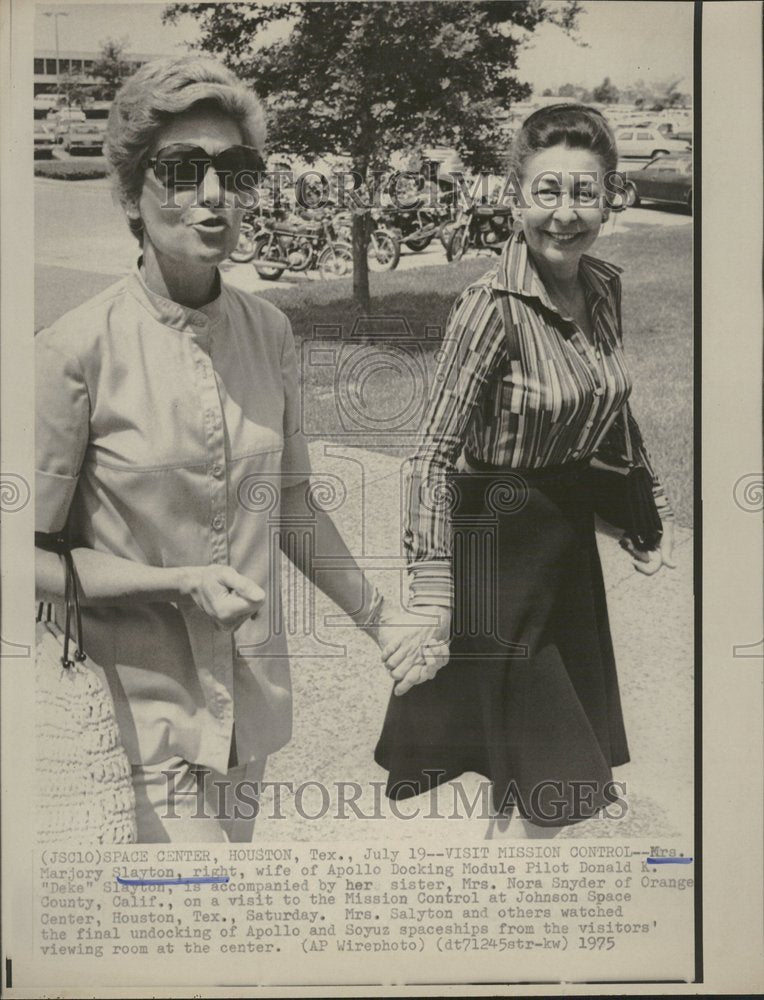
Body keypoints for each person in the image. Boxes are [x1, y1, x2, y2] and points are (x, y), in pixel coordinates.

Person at [35, 55, 391, 843]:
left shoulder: (270, 332)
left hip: (246, 715)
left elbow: (293, 506)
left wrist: (382, 622)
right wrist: (176, 583)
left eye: (235, 170)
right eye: (182, 169)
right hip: (135, 722)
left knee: (218, 939)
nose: (212, 195)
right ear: (132, 192)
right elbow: (19, 557)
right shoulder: (72, 352)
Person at [375, 104, 677, 836]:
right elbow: (432, 455)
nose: (565, 213)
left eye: (584, 192)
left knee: (552, 779)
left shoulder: (602, 286)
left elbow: (611, 402)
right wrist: (432, 592)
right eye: (547, 192)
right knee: (538, 770)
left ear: (610, 198)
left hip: (563, 547)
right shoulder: (489, 307)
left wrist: (644, 509)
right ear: (515, 196)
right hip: (497, 552)